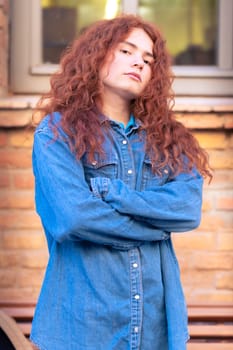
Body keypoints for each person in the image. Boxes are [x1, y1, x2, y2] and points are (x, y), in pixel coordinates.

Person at [30, 14, 212, 350]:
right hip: (82, 328)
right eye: (127, 51)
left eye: (147, 59)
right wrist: (156, 227)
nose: (139, 63)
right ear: (97, 55)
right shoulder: (57, 134)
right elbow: (74, 219)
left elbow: (187, 209)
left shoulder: (169, 140)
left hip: (154, 330)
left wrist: (118, 196)